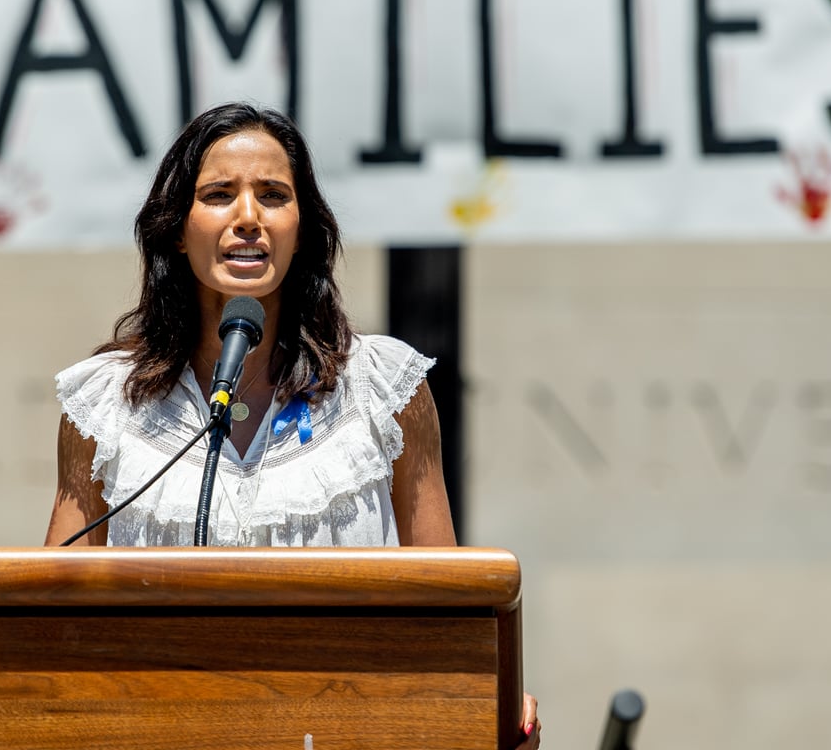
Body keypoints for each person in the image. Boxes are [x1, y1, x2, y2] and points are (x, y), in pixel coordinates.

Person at [43, 102, 539, 747]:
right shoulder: (105, 405)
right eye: (219, 195)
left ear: (301, 230)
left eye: (273, 196)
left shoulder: (383, 390)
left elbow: (447, 605)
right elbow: (47, 621)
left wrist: (488, 695)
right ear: (175, 229)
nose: (247, 219)